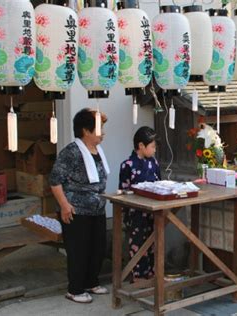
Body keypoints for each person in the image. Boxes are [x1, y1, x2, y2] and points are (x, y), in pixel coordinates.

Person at [50, 108, 110, 303]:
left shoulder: (98, 150)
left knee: (97, 248)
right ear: (86, 131)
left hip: (97, 208)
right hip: (76, 209)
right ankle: (75, 289)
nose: (103, 133)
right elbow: (55, 180)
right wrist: (64, 205)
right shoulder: (71, 152)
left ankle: (91, 282)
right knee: (79, 250)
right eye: (99, 129)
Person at [119, 126, 161, 286]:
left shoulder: (154, 162)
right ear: (141, 146)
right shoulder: (127, 165)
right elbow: (123, 189)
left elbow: (159, 182)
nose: (154, 150)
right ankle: (137, 275)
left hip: (153, 210)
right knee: (137, 242)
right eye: (152, 146)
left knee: (153, 241)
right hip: (135, 212)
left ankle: (151, 272)